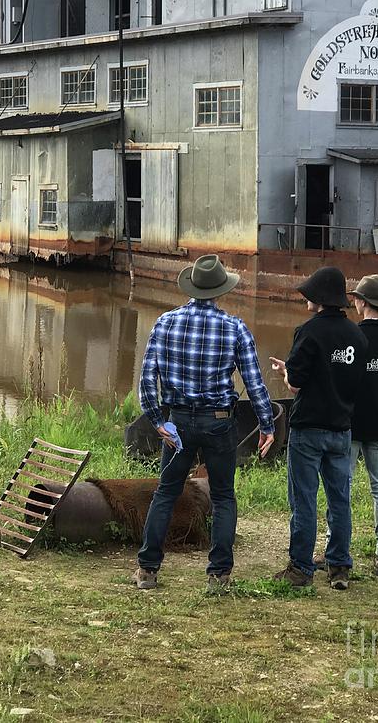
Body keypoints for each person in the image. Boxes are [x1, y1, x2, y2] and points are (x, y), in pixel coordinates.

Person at [133, 254, 275, 592]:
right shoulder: (235, 327)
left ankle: (147, 570)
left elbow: (147, 380)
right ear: (219, 291)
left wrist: (157, 422)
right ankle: (218, 576)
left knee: (166, 493)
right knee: (224, 496)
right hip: (219, 422)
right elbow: (255, 384)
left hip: (178, 422)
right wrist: (267, 424)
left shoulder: (165, 322)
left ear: (191, 287)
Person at [269, 267, 367, 591]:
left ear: (320, 298)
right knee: (340, 499)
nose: (306, 298)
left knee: (304, 499)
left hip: (308, 428)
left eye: (309, 294)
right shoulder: (358, 336)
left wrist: (286, 373)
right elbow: (350, 379)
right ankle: (339, 567)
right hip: (342, 428)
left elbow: (296, 384)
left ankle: (300, 569)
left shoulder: (308, 332)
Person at [315, 275, 378, 578]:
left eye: (356, 298)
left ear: (363, 302)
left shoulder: (353, 336)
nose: (353, 302)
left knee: (341, 488)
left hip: (350, 424)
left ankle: (334, 549)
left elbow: (341, 376)